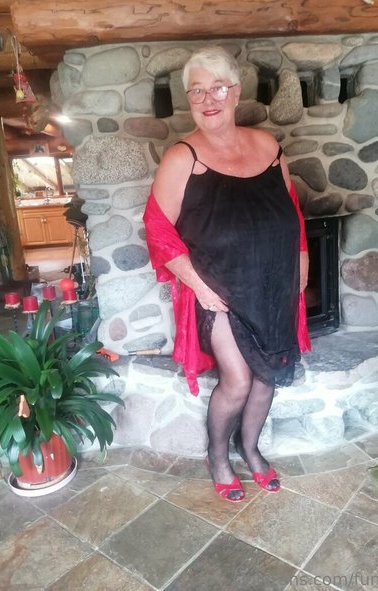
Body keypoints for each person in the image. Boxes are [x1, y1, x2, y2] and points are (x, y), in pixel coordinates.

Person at [144, 46, 310, 503]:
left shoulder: (269, 148)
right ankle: (218, 456)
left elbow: (292, 212)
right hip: (218, 292)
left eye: (217, 88)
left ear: (236, 92)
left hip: (273, 285)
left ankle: (249, 448)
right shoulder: (183, 157)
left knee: (268, 375)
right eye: (197, 91)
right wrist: (198, 287)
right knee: (237, 380)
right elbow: (157, 229)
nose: (208, 99)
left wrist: (301, 258)